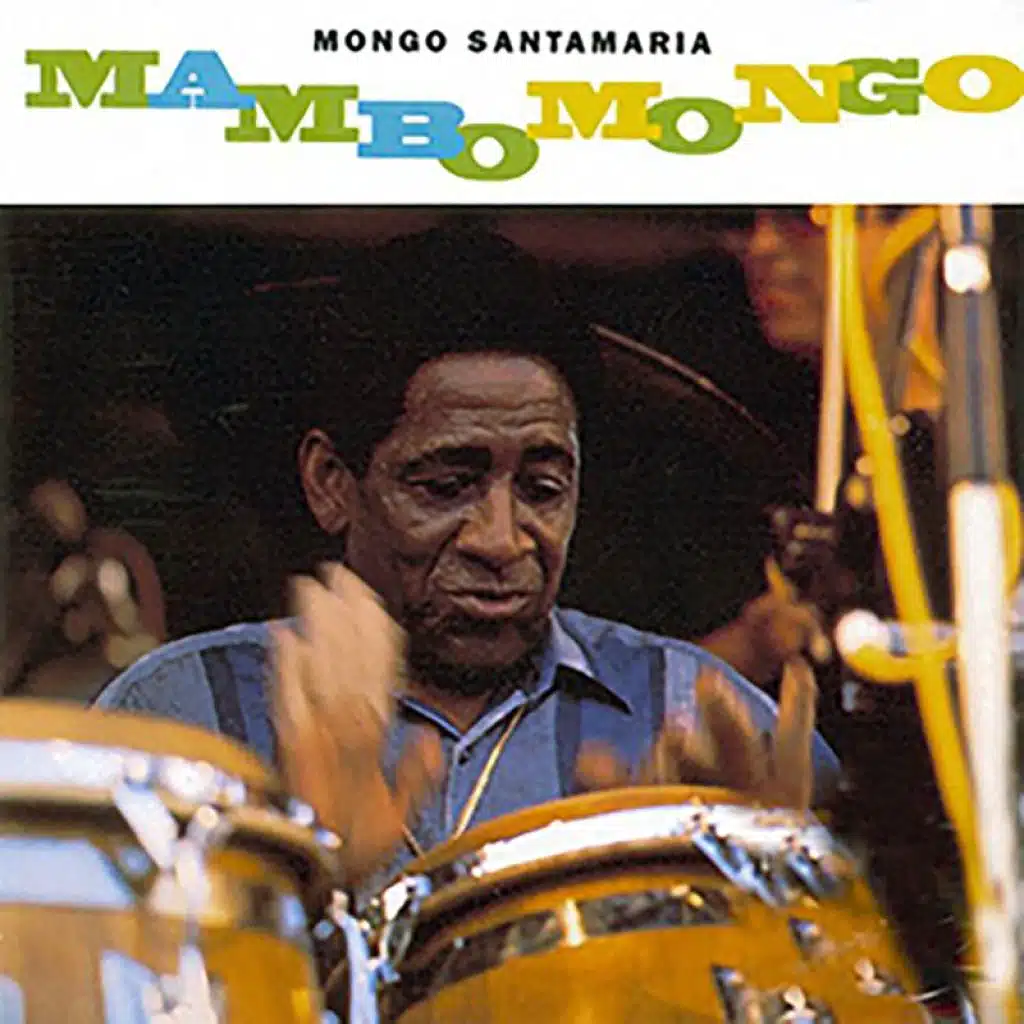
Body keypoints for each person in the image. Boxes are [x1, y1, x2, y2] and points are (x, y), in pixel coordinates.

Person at [94, 227, 840, 900]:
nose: (502, 540)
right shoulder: (177, 719)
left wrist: (769, 906)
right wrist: (308, 892)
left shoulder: (702, 715)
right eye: (446, 486)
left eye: (543, 490)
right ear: (330, 483)